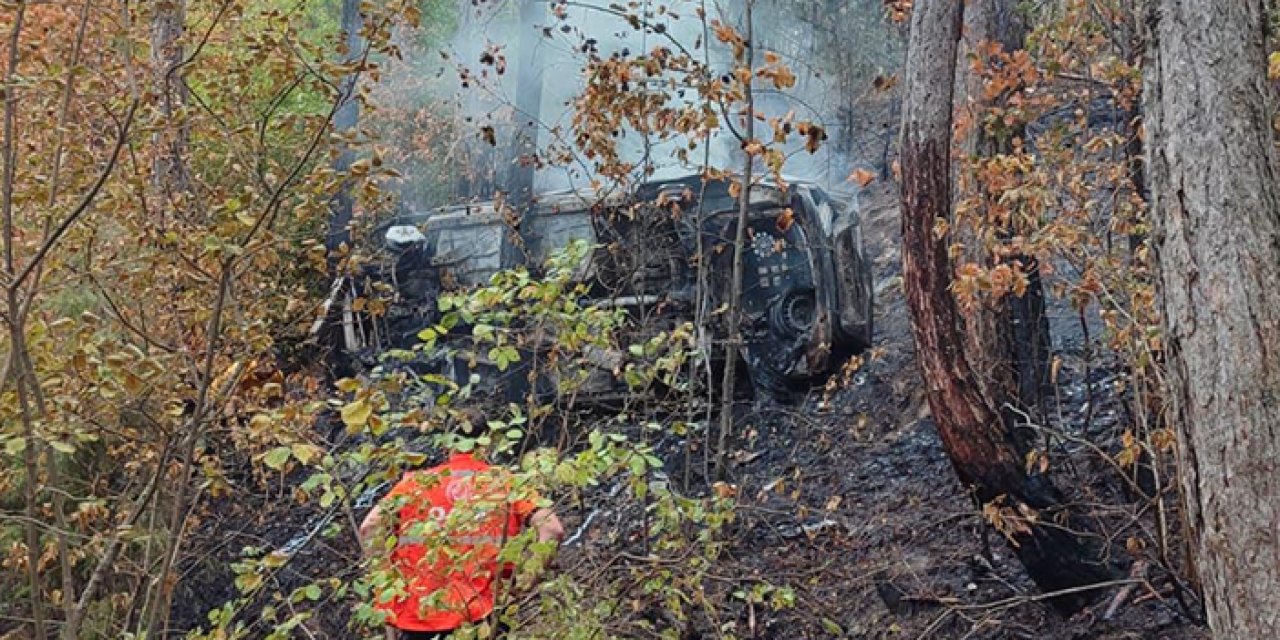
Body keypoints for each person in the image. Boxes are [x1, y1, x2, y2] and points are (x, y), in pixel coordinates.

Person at [359, 433, 564, 640]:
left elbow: (370, 527)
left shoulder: (415, 484)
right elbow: (552, 529)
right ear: (487, 443)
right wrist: (524, 582)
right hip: (483, 614)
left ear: (448, 444)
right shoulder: (505, 482)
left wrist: (386, 594)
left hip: (420, 617)